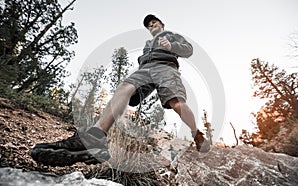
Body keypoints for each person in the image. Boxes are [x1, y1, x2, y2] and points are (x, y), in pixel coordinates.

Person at [30, 14, 210, 166]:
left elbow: (189, 50)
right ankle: (96, 136)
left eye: (154, 22)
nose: (151, 25)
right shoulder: (148, 43)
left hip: (166, 68)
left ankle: (196, 134)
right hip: (145, 69)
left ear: (162, 24)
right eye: (149, 25)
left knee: (176, 103)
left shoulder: (172, 35)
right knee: (124, 87)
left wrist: (171, 46)